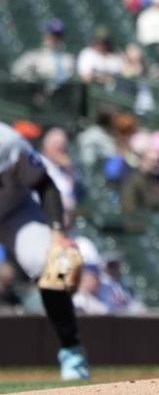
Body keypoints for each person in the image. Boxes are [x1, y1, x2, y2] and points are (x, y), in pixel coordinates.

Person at [0, 122, 91, 380]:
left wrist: (57, 234)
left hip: (15, 213)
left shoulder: (8, 142)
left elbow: (44, 184)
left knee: (52, 264)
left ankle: (72, 351)